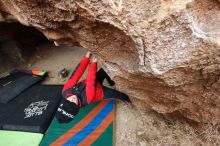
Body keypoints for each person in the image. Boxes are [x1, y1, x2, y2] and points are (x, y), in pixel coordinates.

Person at [55, 52, 130, 123]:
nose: (72, 99)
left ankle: (111, 82)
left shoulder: (65, 91)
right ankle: (128, 99)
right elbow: (91, 82)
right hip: (100, 92)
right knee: (117, 94)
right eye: (74, 103)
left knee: (104, 70)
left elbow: (76, 74)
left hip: (91, 81)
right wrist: (93, 63)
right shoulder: (87, 99)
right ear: (77, 107)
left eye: (68, 101)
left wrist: (86, 58)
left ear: (64, 100)